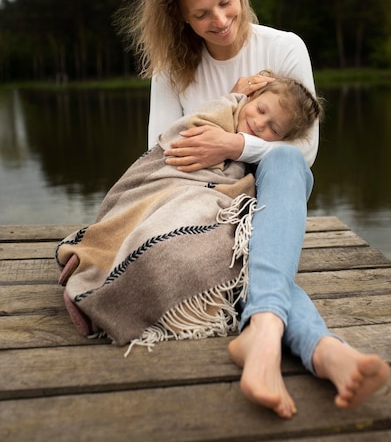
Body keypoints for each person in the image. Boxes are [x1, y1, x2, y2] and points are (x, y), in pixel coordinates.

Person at [116, 0, 391, 419]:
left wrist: (236, 145)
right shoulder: (172, 69)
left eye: (225, 2)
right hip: (204, 198)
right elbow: (163, 148)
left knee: (283, 164)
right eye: (201, 14)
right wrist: (228, 112)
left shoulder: (283, 48)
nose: (219, 21)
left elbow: (305, 150)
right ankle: (322, 349)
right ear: (181, 18)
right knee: (247, 249)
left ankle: (262, 334)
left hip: (272, 198)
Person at [56, 75, 322, 350]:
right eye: (261, 110)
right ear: (251, 97)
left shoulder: (285, 54)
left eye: (273, 129)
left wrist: (235, 147)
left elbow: (301, 155)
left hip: (215, 196)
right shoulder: (220, 108)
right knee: (168, 221)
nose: (258, 123)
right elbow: (173, 140)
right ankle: (101, 260)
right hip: (176, 182)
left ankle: (108, 273)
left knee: (194, 240)